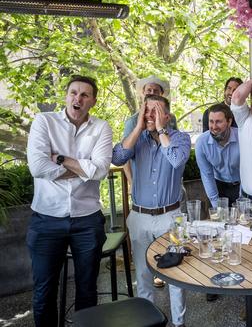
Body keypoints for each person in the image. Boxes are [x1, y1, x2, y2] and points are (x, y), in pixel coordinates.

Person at [26, 75, 112, 326]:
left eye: (85, 95)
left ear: (93, 101)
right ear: (66, 96)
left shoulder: (101, 127)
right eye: (74, 92)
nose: (78, 98)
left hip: (87, 220)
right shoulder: (44, 121)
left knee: (87, 289)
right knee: (44, 291)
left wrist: (61, 159)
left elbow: (100, 170)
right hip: (46, 219)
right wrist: (82, 170)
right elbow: (38, 167)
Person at [112, 94, 190, 327]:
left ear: (167, 115)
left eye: (155, 111)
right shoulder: (136, 139)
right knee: (143, 276)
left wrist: (161, 131)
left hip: (170, 217)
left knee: (176, 276)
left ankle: (179, 323)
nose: (149, 116)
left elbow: (176, 160)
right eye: (146, 111)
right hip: (140, 217)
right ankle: (147, 322)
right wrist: (137, 128)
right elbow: (117, 158)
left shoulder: (180, 138)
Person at [196, 103, 240, 206]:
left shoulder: (242, 137)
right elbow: (207, 175)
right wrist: (215, 203)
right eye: (211, 121)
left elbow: (248, 170)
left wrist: (242, 199)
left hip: (242, 185)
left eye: (218, 122)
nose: (214, 127)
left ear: (229, 122)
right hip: (217, 186)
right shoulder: (202, 142)